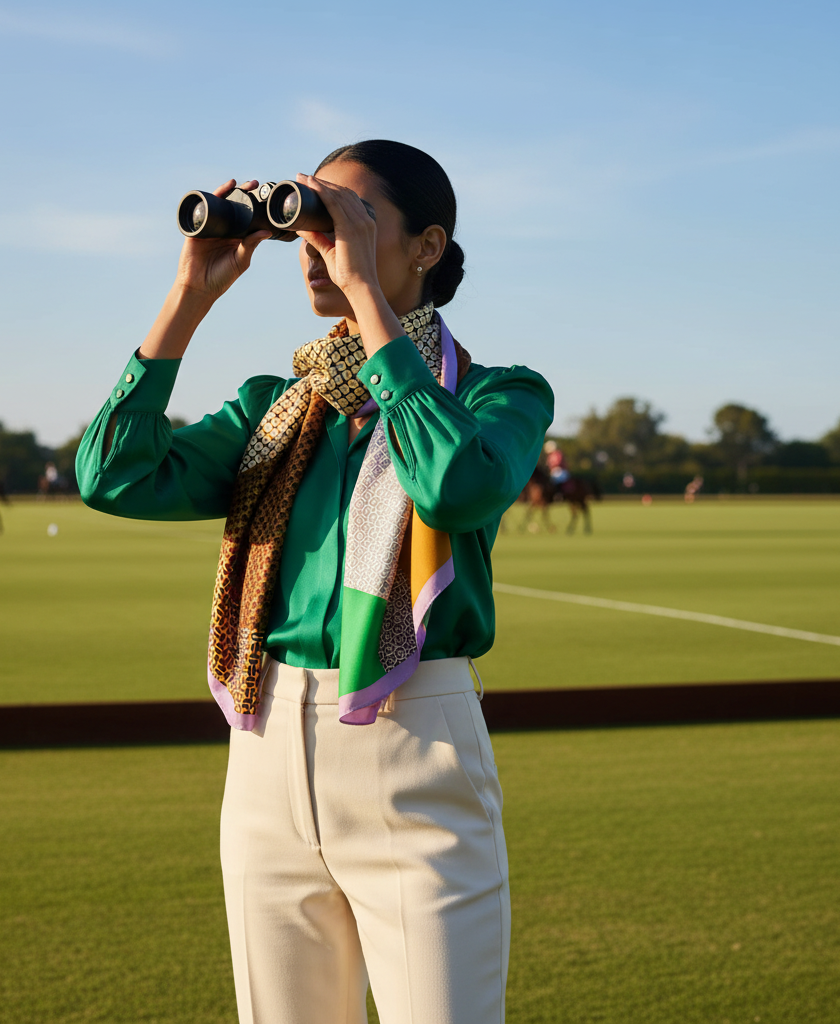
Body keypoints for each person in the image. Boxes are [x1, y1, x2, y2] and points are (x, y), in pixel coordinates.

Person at [76, 140, 554, 1024]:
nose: (316, 248)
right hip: (263, 747)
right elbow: (112, 474)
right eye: (311, 224)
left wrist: (367, 296)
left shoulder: (497, 395)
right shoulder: (275, 404)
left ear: (427, 245)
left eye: (349, 223)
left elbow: (453, 483)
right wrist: (190, 294)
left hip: (415, 747)